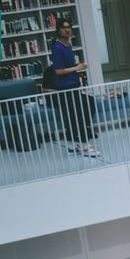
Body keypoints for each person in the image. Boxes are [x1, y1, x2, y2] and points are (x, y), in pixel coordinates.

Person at [47, 18, 98, 157]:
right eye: (64, 27)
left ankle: (74, 145)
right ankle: (83, 144)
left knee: (84, 107)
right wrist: (77, 67)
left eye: (69, 27)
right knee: (77, 115)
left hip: (73, 85)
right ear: (58, 30)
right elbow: (58, 71)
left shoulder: (68, 45)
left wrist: (77, 70)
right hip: (65, 88)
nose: (67, 30)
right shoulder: (57, 48)